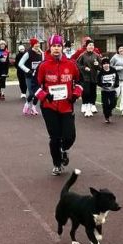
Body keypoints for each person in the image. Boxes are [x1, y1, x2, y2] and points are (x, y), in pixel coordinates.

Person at [35, 34, 83, 175]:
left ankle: (64, 149)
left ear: (62, 47)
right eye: (54, 46)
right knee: (55, 138)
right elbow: (34, 86)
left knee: (70, 136)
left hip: (67, 106)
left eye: (59, 46)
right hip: (49, 107)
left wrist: (75, 94)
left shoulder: (71, 65)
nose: (56, 49)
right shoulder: (43, 66)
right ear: (50, 47)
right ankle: (57, 164)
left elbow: (80, 82)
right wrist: (44, 96)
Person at [18, 38, 44, 116]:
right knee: (32, 93)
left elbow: (43, 63)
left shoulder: (41, 53)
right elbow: (20, 64)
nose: (38, 45)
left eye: (38, 43)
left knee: (38, 93)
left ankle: (34, 107)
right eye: (36, 43)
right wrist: (28, 70)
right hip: (29, 76)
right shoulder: (28, 53)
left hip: (38, 76)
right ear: (32, 44)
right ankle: (27, 104)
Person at [76, 39, 102, 117]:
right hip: (85, 77)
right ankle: (85, 106)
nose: (91, 47)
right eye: (89, 45)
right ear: (86, 46)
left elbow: (101, 67)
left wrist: (97, 65)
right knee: (86, 91)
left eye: (92, 45)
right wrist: (84, 68)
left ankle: (92, 105)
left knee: (93, 91)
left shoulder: (97, 55)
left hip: (94, 76)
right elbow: (77, 65)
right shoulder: (82, 55)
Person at [98, 57, 120, 123]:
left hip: (112, 90)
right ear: (102, 65)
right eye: (104, 64)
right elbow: (98, 81)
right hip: (104, 91)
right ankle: (106, 117)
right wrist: (103, 85)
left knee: (113, 103)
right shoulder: (101, 72)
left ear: (109, 64)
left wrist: (116, 84)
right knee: (105, 104)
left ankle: (109, 111)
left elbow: (117, 78)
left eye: (107, 63)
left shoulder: (113, 70)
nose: (106, 65)